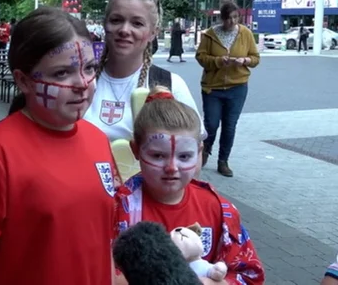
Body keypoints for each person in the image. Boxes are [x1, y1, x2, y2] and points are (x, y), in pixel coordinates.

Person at [0, 8, 120, 285]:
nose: (83, 84)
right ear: (23, 80)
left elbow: (102, 245)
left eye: (89, 68)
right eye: (62, 73)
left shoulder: (98, 140)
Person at [114, 87, 265, 285]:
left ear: (199, 151)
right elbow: (97, 272)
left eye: (184, 157)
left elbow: (249, 275)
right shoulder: (116, 208)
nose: (172, 168)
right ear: (136, 150)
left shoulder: (219, 209)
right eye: (158, 156)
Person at [84, 0, 204, 143]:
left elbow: (194, 150)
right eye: (116, 20)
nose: (125, 30)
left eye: (137, 23)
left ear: (153, 32)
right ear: (105, 24)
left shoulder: (170, 85)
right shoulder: (81, 80)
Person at [195, 0, 260, 177]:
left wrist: (245, 60)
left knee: (230, 126)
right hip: (213, 88)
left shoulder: (245, 33)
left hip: (237, 87)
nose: (232, 22)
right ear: (222, 19)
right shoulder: (210, 34)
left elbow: (255, 58)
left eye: (235, 17)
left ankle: (223, 161)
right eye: (228, 18)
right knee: (211, 124)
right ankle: (205, 152)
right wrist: (218, 61)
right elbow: (200, 57)